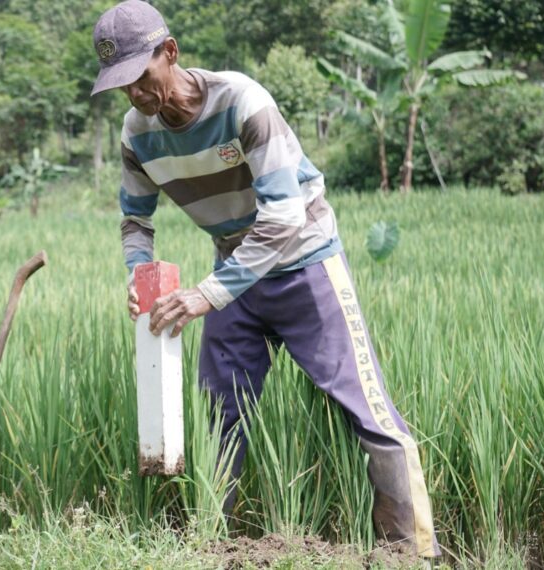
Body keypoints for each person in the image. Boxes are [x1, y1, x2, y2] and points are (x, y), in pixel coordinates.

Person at [92, 0, 439, 559]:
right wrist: (139, 274)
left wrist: (206, 294)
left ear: (170, 52)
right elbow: (136, 220)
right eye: (120, 84)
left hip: (305, 262)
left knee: (365, 408)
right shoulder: (138, 136)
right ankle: (211, 547)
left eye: (140, 75)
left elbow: (282, 217)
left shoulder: (242, 102)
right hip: (234, 271)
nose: (133, 93)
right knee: (218, 417)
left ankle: (412, 550)